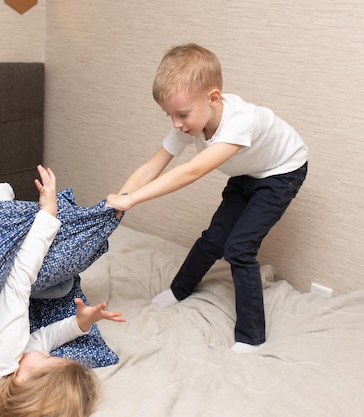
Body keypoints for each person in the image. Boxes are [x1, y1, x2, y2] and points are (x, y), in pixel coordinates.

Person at [105, 43, 307, 354]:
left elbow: (191, 171)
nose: (176, 123)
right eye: (169, 115)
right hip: (247, 173)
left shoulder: (242, 122)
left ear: (213, 98)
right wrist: (121, 196)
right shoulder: (190, 123)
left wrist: (134, 200)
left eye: (182, 114)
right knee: (214, 239)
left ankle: (252, 337)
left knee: (239, 248)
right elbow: (153, 165)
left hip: (281, 174)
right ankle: (179, 289)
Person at [0, 165, 126, 417]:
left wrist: (48, 216)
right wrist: (78, 324)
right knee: (59, 288)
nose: (44, 353)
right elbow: (40, 342)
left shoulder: (4, 357)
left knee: (3, 194)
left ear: (26, 381)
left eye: (47, 359)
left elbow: (18, 282)